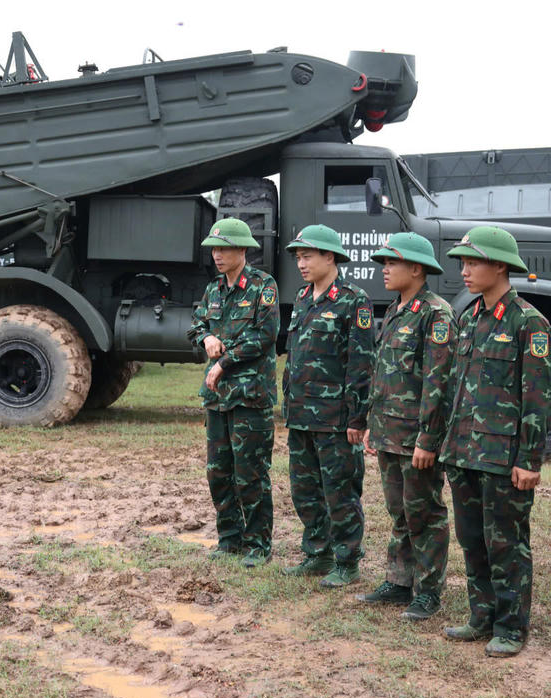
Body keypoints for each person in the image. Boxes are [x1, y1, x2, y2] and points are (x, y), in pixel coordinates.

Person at [438, 225, 551, 658]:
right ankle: (481, 616)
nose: (465, 271)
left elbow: (539, 396)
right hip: (466, 452)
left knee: (506, 542)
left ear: (500, 266)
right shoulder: (470, 317)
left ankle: (510, 626)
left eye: (474, 262)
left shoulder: (529, 322)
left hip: (504, 456)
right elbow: (456, 388)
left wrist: (529, 458)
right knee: (472, 539)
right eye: (463, 263)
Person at [358, 232, 453, 621]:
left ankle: (428, 591)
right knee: (399, 512)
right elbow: (385, 374)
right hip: (388, 433)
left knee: (424, 514)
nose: (384, 269)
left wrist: (428, 440)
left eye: (391, 263)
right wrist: (371, 425)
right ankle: (399, 581)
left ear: (416, 269)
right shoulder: (397, 309)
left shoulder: (435, 313)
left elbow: (438, 384)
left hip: (416, 437)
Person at [279, 224, 374, 588]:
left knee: (340, 490)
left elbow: (361, 362)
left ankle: (347, 561)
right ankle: (317, 553)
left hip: (336, 419)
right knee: (305, 489)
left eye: (307, 256)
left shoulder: (353, 300)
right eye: (298, 257)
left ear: (329, 257)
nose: (300, 263)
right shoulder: (303, 297)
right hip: (301, 414)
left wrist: (357, 416)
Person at [187, 217, 279, 568]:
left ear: (243, 249)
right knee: (218, 470)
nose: (217, 255)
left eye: (224, 248)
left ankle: (258, 543)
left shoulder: (262, 286)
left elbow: (265, 335)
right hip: (217, 398)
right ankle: (230, 538)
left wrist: (223, 362)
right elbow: (196, 324)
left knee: (250, 471)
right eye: (214, 248)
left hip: (250, 396)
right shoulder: (213, 289)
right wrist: (206, 337)